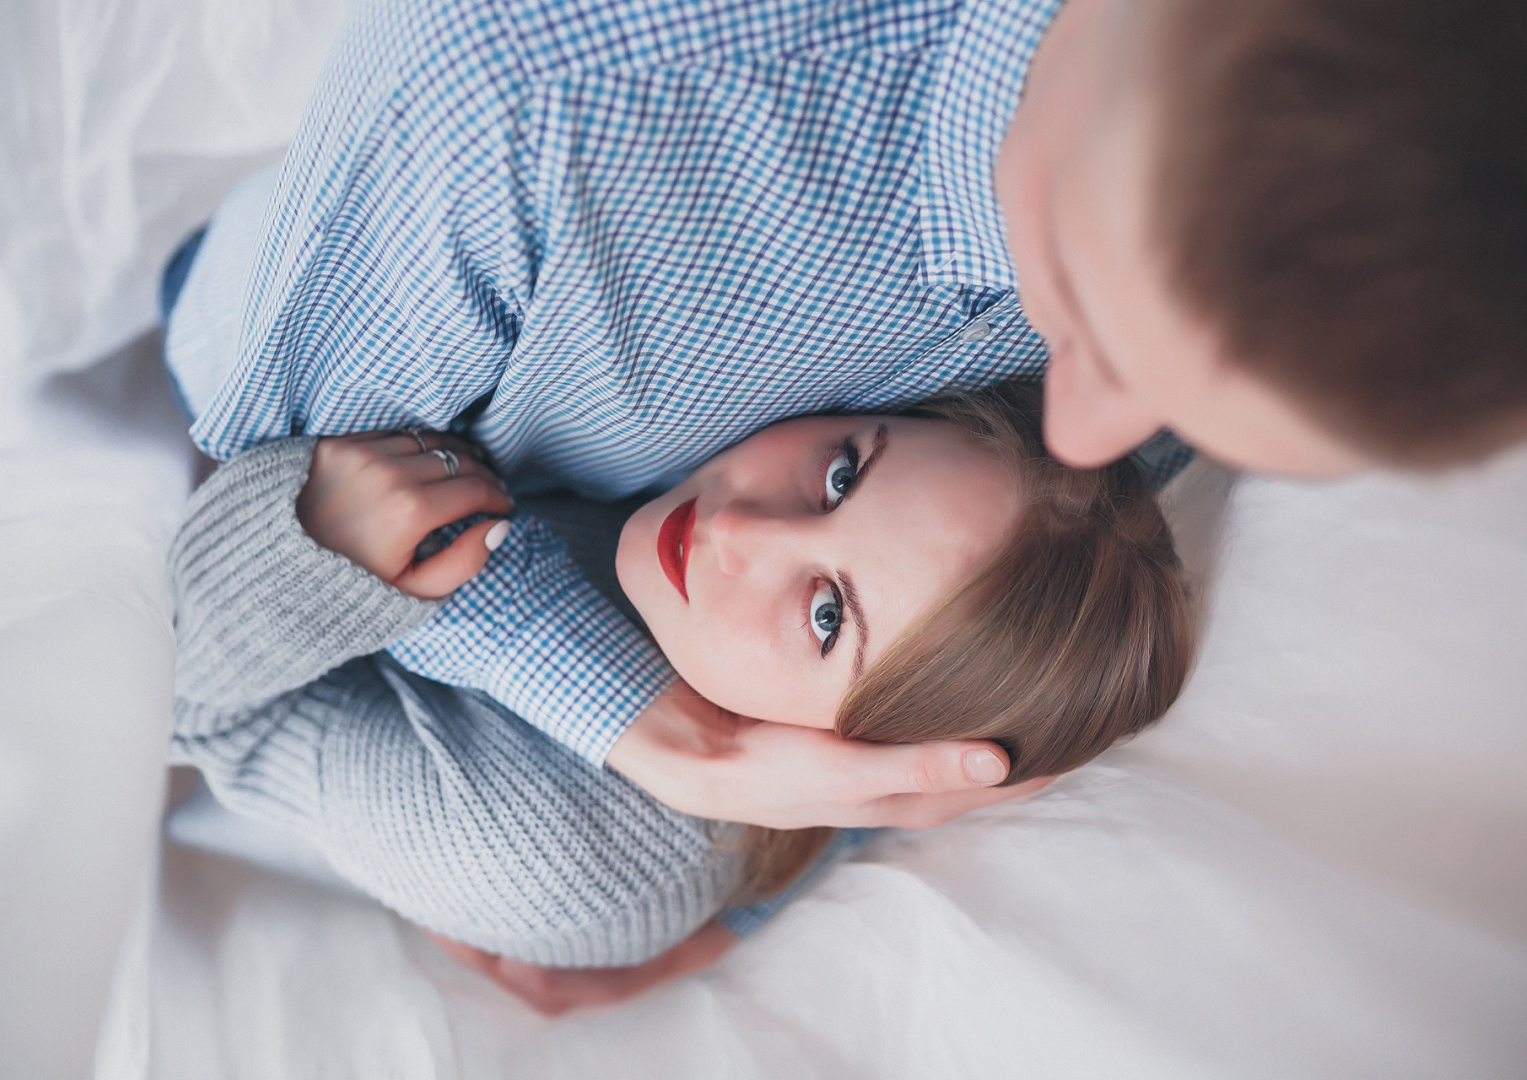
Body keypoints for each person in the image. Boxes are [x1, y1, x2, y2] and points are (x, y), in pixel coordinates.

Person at [165, 0, 1527, 840]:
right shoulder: (537, 99)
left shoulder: (1313, 227)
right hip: (297, 467)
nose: (1087, 429)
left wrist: (751, 785)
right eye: (1093, 318)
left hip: (583, 566)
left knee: (611, 874)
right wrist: (647, 726)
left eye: (1173, 403)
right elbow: (290, 500)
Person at [170, 385, 1190, 1011]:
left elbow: (202, 723)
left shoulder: (553, 844)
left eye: (828, 617)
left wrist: (315, 544)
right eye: (841, 475)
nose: (741, 529)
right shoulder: (733, 563)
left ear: (852, 756)